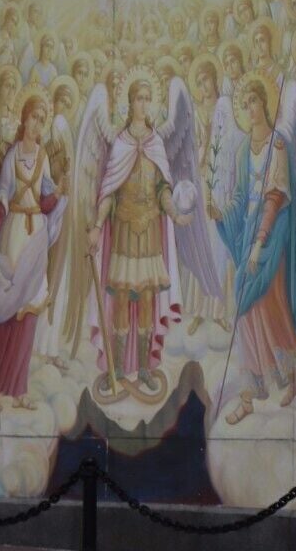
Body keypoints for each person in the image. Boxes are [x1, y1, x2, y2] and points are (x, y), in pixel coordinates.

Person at [217, 75, 296, 425]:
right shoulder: (244, 148)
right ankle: (249, 394)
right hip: (249, 234)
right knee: (245, 312)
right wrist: (221, 214)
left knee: (272, 308)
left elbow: (275, 197)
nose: (250, 109)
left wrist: (261, 243)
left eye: (254, 101)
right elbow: (238, 197)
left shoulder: (278, 145)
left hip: (271, 237)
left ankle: (292, 377)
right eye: (244, 105)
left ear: (265, 102)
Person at [93, 77, 185, 399]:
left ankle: (144, 368)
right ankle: (117, 368)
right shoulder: (120, 143)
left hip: (148, 233)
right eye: (138, 98)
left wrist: (174, 213)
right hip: (123, 232)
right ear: (129, 103)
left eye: (148, 98)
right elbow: (109, 190)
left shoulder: (157, 143)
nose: (143, 103)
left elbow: (164, 189)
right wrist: (96, 226)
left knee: (146, 298)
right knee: (120, 299)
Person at [0, 93, 63, 411]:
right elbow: (0, 198)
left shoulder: (43, 157)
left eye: (43, 120)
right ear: (24, 119)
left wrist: (59, 194)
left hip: (35, 234)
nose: (37, 123)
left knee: (30, 310)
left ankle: (19, 388)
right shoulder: (12, 155)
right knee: (8, 309)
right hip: (13, 232)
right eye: (34, 117)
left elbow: (46, 199)